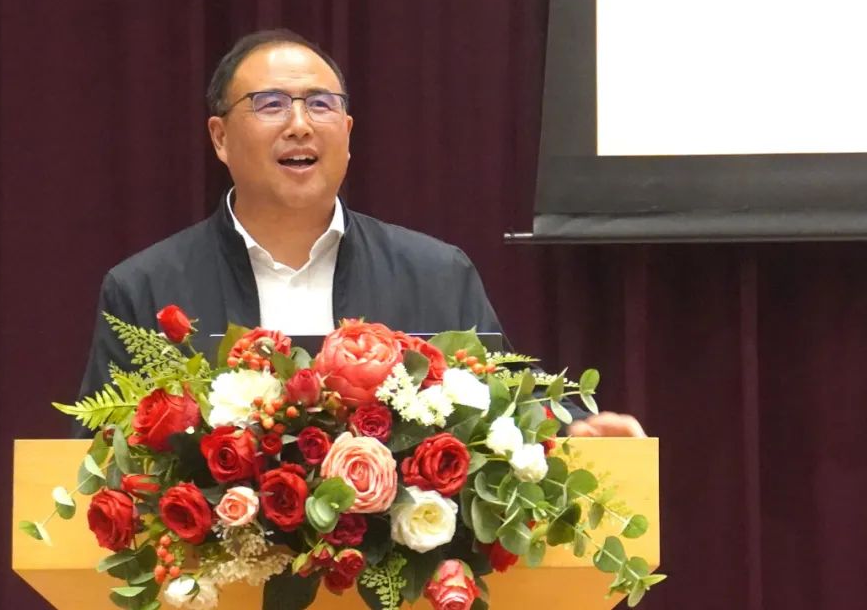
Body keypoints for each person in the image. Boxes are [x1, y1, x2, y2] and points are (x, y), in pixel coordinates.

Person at [74, 29, 643, 439]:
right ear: (220, 138)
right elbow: (99, 458)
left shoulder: (435, 275)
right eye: (270, 104)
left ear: (346, 132)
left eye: (321, 105)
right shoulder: (146, 287)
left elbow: (505, 409)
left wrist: (577, 434)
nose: (300, 124)